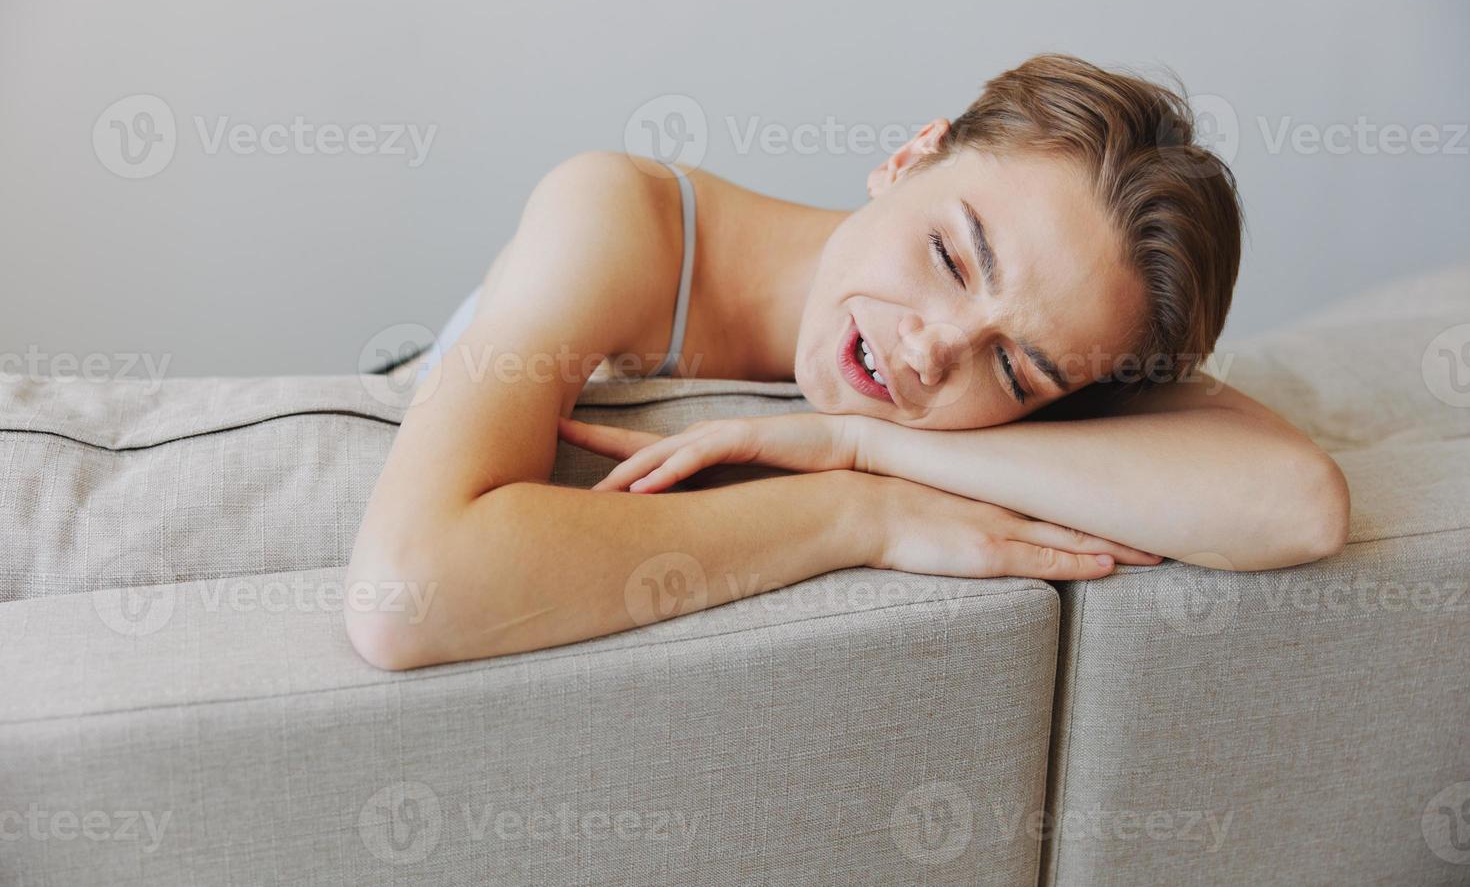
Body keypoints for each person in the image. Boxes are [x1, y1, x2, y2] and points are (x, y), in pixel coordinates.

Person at [346, 53, 1350, 670]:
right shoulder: (616, 218)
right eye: (953, 255)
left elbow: (1297, 503)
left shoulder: (1049, 357)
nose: (932, 349)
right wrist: (853, 510)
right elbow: (405, 596)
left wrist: (859, 445)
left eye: (1017, 370)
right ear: (911, 155)